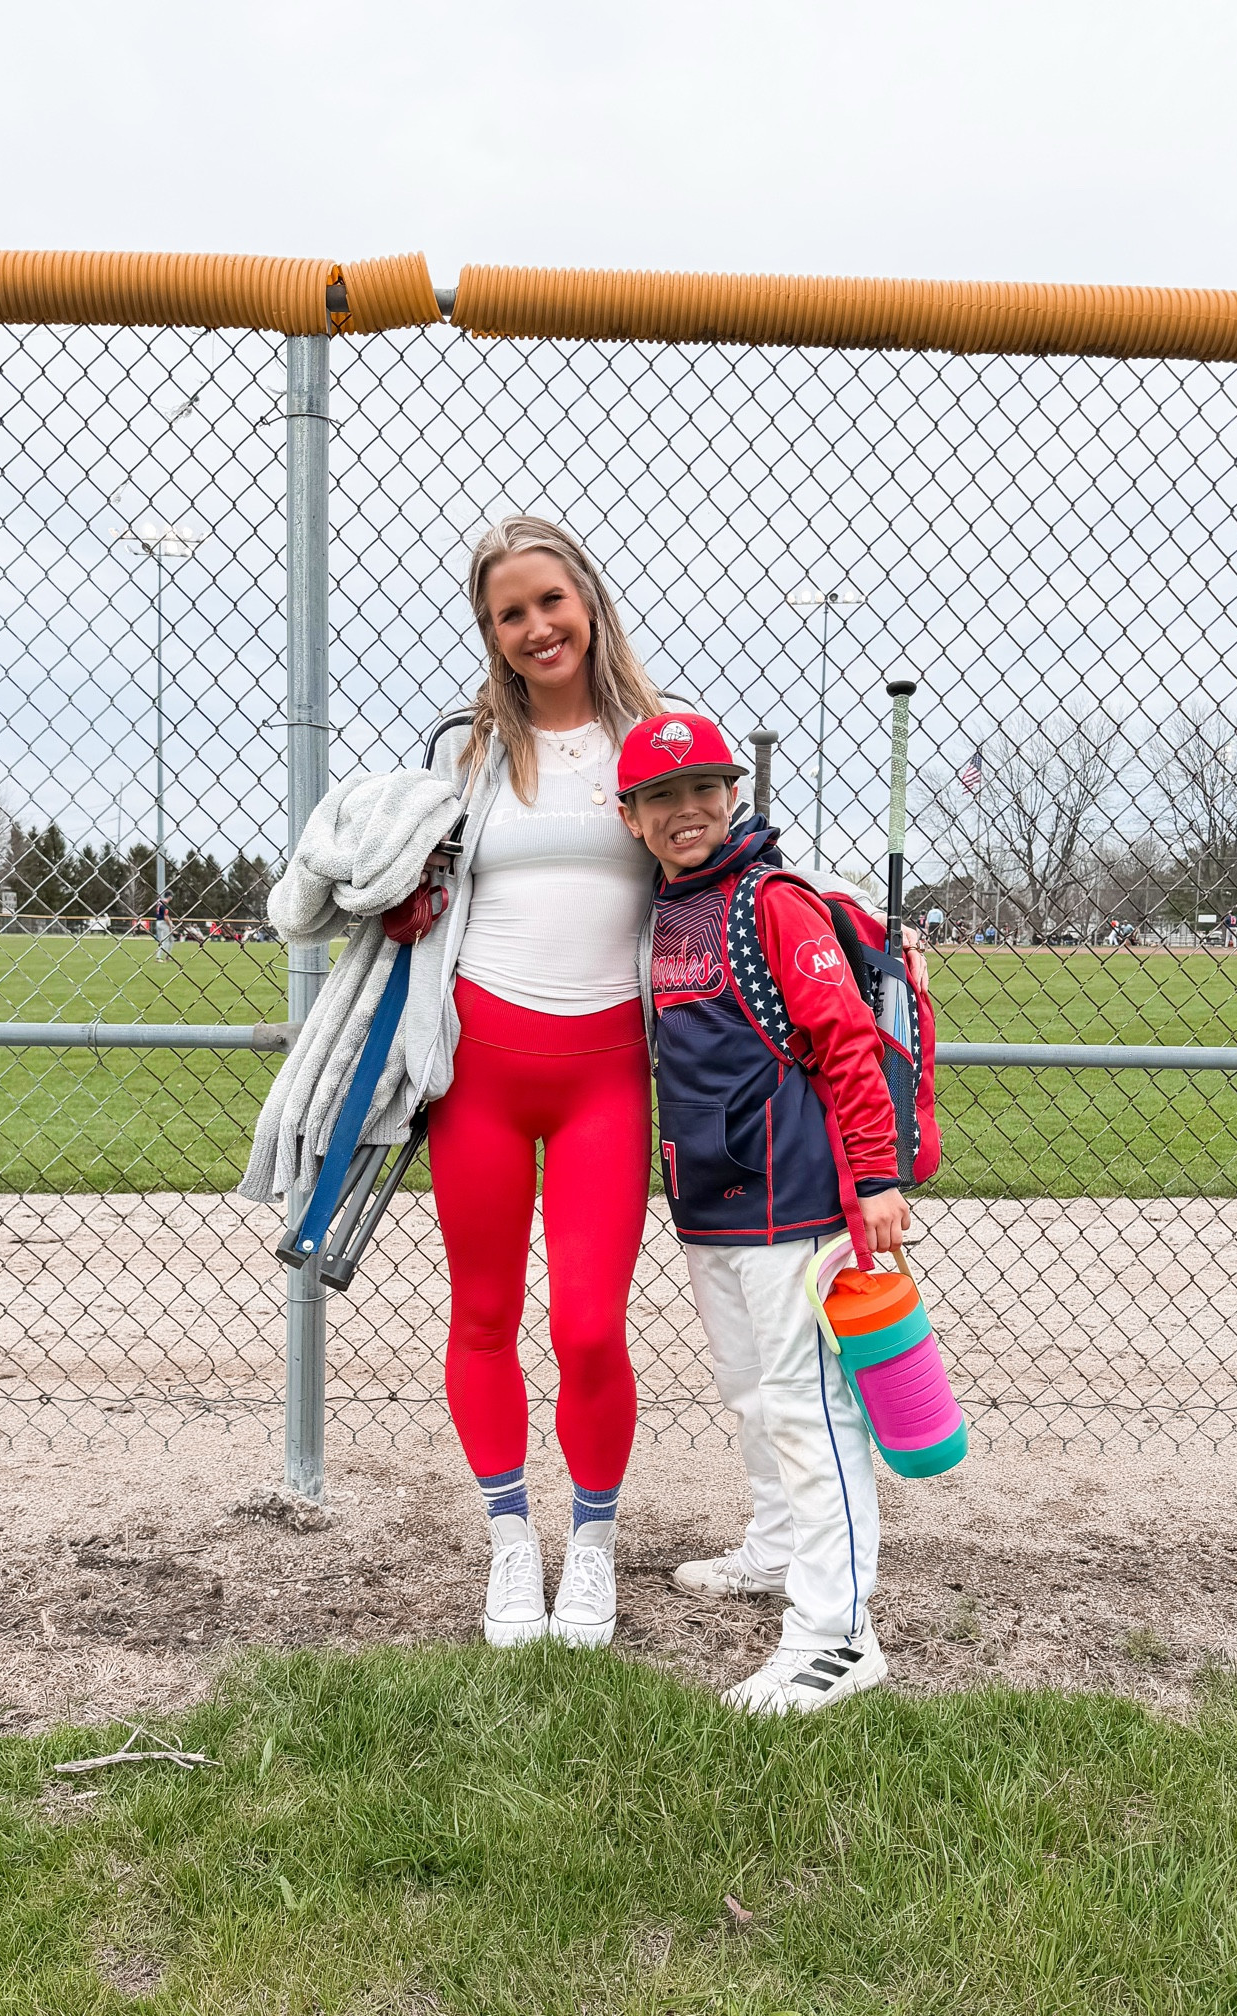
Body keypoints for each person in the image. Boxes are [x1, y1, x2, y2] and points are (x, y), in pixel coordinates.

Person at [618, 710, 909, 1714]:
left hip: (795, 1204)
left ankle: (839, 1634)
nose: (683, 808)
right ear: (633, 817)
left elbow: (845, 1043)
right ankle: (780, 1548)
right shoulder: (664, 908)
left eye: (701, 788)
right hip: (712, 1203)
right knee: (754, 1392)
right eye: (660, 796)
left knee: (808, 1407)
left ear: (732, 795)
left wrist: (874, 1180)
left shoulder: (767, 898)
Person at [422, 517, 664, 1650]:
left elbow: (727, 864)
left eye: (549, 602)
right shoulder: (467, 753)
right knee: (481, 1312)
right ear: (492, 633)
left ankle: (597, 1543)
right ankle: (513, 1540)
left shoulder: (657, 741)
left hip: (607, 1071)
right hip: (481, 1066)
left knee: (589, 1327)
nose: (535, 628)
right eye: (509, 613)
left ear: (589, 602)